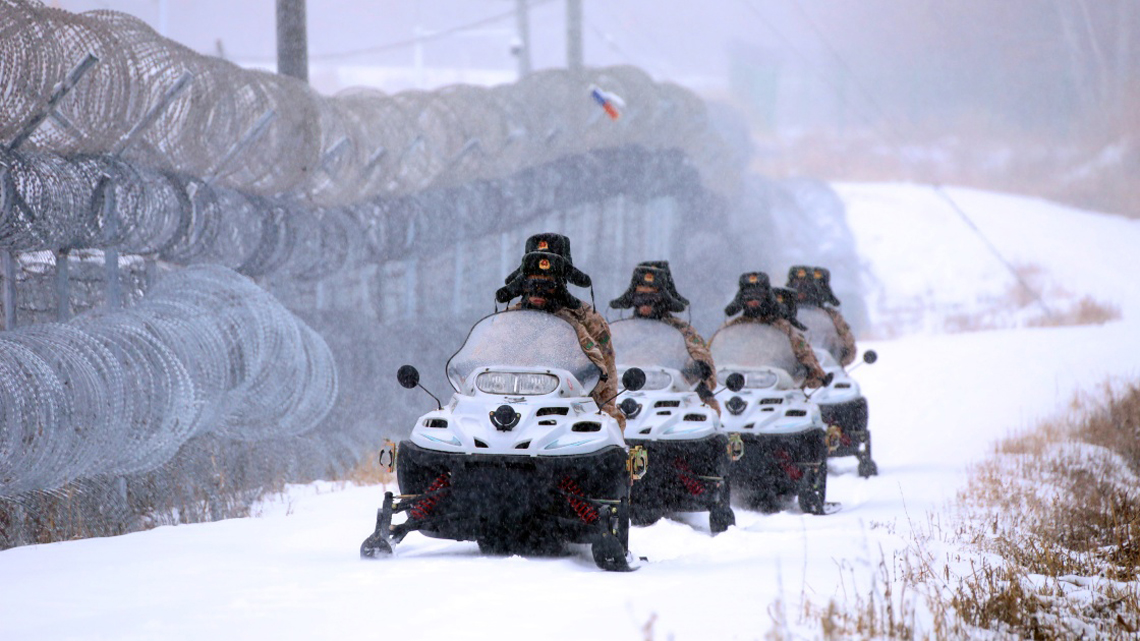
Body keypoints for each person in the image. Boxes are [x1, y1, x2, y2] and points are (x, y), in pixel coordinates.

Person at [497, 235, 623, 428]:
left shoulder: (585, 320)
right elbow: (483, 358)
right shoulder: (508, 320)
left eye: (548, 277)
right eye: (534, 278)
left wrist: (601, 414)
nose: (540, 286)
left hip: (565, 409)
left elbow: (606, 374)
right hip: (512, 406)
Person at [610, 261, 720, 414]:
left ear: (662, 299)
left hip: (666, 400)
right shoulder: (620, 331)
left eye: (651, 298)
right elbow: (600, 356)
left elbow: (703, 360)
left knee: (706, 406)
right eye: (640, 297)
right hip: (621, 396)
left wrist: (696, 368)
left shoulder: (681, 331)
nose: (645, 304)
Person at [719, 272, 828, 388]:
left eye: (758, 296)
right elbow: (713, 352)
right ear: (741, 299)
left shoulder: (782, 327)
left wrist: (812, 370)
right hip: (733, 385)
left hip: (774, 386)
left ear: (767, 297)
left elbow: (804, 352)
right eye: (749, 297)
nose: (753, 302)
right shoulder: (732, 327)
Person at [785, 265, 856, 367]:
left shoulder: (831, 316)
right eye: (795, 284)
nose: (800, 289)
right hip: (790, 371)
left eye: (805, 285)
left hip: (825, 369)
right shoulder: (780, 314)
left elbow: (849, 349)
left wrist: (835, 363)